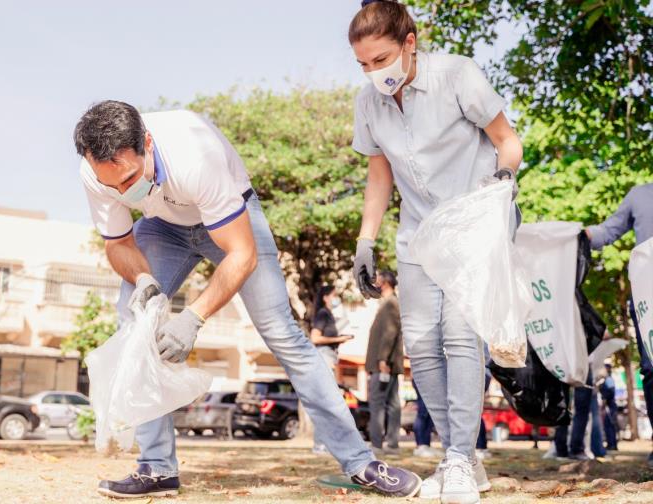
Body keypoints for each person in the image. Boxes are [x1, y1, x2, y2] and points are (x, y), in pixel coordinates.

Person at [75, 101, 421, 498]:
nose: (123, 192)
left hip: (230, 216)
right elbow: (119, 242)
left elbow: (242, 254)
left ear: (147, 144)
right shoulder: (94, 171)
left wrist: (193, 317)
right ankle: (156, 467)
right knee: (135, 323)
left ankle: (362, 463)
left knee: (283, 334)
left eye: (131, 178)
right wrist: (142, 279)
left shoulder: (194, 152)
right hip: (163, 227)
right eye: (113, 186)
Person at [348, 1, 523, 501]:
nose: (373, 73)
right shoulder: (369, 103)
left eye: (380, 60)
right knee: (421, 348)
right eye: (362, 64)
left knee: (461, 337)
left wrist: (502, 184)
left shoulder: (457, 76)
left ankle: (457, 464)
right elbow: (379, 172)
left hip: (473, 223)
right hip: (419, 233)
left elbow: (507, 142)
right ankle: (462, 456)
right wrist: (366, 238)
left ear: (409, 42)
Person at [585, 181, 653, 467]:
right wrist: (574, 235)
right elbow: (608, 231)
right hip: (646, 296)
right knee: (650, 371)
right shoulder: (639, 194)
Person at [365, 270, 403, 454]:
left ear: (385, 282)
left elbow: (389, 334)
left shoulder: (390, 304)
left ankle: (378, 444)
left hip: (384, 363)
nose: (375, 281)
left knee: (378, 403)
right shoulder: (388, 303)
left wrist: (382, 359)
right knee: (392, 402)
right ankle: (392, 444)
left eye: (378, 277)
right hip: (387, 362)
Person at [310, 285, 353, 372]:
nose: (337, 298)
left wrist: (339, 339)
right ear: (325, 298)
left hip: (329, 355)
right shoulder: (323, 313)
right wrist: (338, 339)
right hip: (324, 355)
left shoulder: (329, 314)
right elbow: (315, 338)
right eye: (334, 295)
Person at [600, 363, 619, 451]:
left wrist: (604, 403)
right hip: (610, 406)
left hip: (609, 406)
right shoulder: (608, 379)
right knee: (610, 426)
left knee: (609, 426)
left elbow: (609, 393)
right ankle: (612, 444)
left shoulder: (608, 380)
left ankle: (612, 445)